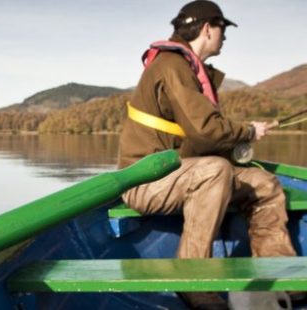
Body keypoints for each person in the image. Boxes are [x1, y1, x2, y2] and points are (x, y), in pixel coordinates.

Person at [118, 1, 296, 308]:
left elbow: (198, 141)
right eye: (222, 29)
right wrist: (249, 132)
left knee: (265, 184)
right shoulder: (171, 66)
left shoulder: (188, 69)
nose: (224, 37)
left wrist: (237, 143)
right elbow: (205, 131)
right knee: (215, 170)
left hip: (176, 173)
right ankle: (191, 279)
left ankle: (278, 276)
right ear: (206, 29)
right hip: (144, 181)